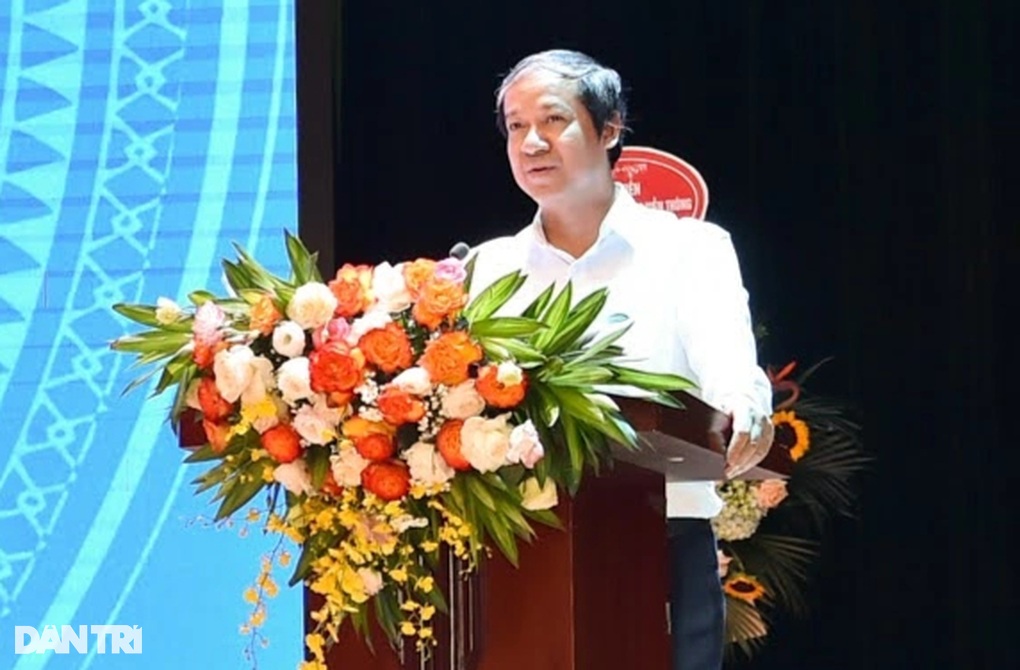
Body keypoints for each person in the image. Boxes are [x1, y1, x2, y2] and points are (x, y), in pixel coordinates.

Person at [466, 49, 775, 669]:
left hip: (658, 550)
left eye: (553, 120)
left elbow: (727, 364)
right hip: (516, 556)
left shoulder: (688, 248)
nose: (532, 142)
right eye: (517, 126)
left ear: (610, 130)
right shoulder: (485, 268)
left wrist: (744, 408)